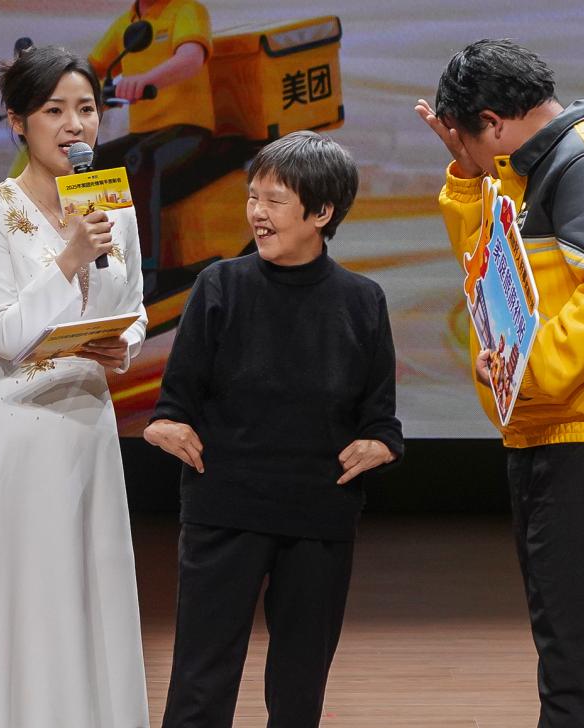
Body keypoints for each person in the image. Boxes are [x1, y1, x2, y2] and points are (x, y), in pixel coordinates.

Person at [416, 39, 584, 728]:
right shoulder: (530, 168)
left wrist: (525, 371)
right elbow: (489, 270)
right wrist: (465, 175)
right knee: (580, 646)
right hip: (553, 425)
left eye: (468, 139)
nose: (469, 154)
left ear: (492, 121)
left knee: (576, 651)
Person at [143, 130, 404, 727]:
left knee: (299, 687)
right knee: (201, 679)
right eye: (252, 197)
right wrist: (165, 425)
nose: (257, 213)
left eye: (275, 201)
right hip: (224, 507)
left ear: (321, 213)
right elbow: (175, 401)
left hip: (318, 514)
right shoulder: (220, 285)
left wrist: (381, 445)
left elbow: (380, 418)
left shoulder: (363, 301)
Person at [0, 45, 149, 728]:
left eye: (86, 108)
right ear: (18, 122)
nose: (74, 125)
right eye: (54, 110)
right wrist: (70, 258)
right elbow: (2, 336)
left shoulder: (111, 201)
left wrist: (125, 343)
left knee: (89, 586)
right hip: (20, 426)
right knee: (27, 593)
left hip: (89, 420)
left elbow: (135, 305)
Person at [89, 0, 215, 295]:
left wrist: (144, 80)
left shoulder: (186, 11)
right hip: (144, 133)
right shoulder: (127, 23)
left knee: (141, 160)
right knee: (91, 164)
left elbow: (191, 59)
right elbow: (92, 67)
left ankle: (146, 271)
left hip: (188, 129)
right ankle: (100, 259)